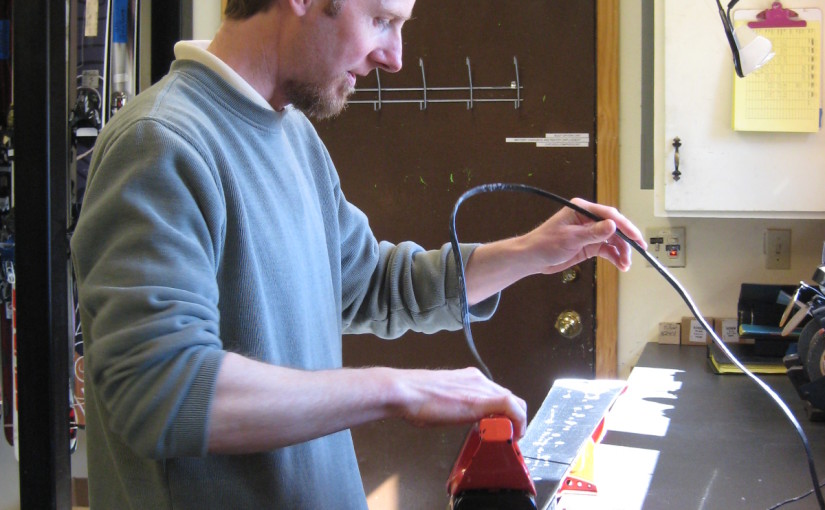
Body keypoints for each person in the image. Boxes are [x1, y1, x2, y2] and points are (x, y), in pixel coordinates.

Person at [69, 0, 647, 508]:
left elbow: (370, 283)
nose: (394, 57)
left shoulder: (292, 134)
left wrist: (530, 252)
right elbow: (161, 389)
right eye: (380, 20)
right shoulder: (162, 143)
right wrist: (404, 389)